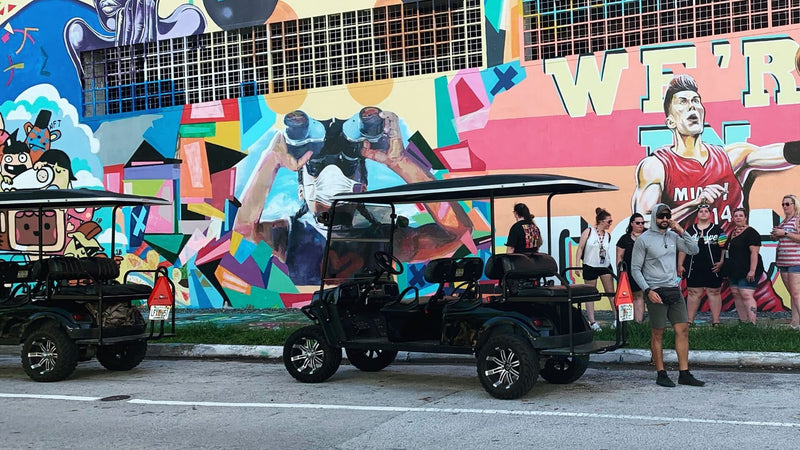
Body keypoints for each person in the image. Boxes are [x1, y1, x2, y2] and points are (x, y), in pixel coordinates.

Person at [233, 107, 473, 285]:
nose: (332, 174)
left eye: (348, 166)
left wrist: (400, 163)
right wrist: (272, 160)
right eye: (316, 168)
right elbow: (242, 235)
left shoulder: (384, 238)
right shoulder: (288, 237)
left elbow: (457, 233)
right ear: (301, 190)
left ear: (364, 186)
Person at [632, 74, 797, 313]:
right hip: (694, 276)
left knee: (764, 315)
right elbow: (644, 222)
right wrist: (694, 203)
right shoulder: (656, 166)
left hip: (740, 273)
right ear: (670, 121)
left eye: (696, 100)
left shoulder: (731, 157)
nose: (692, 106)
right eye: (683, 101)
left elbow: (781, 154)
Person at [631, 203, 704, 387]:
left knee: (683, 330)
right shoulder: (644, 240)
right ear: (655, 217)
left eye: (667, 216)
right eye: (661, 216)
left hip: (673, 289)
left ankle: (684, 373)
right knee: (658, 333)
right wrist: (648, 291)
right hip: (655, 291)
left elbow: (694, 250)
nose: (664, 219)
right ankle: (661, 373)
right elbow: (635, 269)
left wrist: (680, 229)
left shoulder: (673, 236)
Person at [677, 203, 725, 326]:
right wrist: (680, 264)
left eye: (706, 211)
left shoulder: (718, 230)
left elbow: (724, 248)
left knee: (713, 292)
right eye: (701, 211)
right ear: (697, 214)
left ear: (710, 214)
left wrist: (722, 261)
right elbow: (683, 248)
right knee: (693, 293)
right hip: (694, 267)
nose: (703, 213)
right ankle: (689, 321)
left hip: (713, 267)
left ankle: (716, 321)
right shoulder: (690, 230)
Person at [721, 208, 763, 324]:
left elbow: (754, 253)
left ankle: (752, 324)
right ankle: (743, 322)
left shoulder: (751, 233)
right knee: (736, 294)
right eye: (736, 216)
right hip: (734, 270)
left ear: (745, 218)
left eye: (741, 215)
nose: (738, 218)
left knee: (746, 294)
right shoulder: (733, 233)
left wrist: (752, 270)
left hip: (748, 269)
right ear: (733, 218)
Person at [576, 207, 615, 331]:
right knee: (590, 293)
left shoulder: (608, 235)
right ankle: (592, 322)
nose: (610, 224)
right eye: (609, 221)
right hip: (590, 265)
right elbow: (580, 248)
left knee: (611, 292)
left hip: (604, 266)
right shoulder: (588, 231)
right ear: (601, 221)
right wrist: (577, 265)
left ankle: (616, 318)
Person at [771, 195, 800, 329]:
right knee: (792, 293)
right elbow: (780, 238)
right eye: (783, 204)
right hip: (783, 262)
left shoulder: (797, 219)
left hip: (795, 261)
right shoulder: (783, 222)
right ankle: (795, 322)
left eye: (788, 204)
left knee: (796, 293)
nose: (785, 206)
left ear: (795, 205)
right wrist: (776, 235)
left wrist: (785, 233)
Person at [615, 213, 646, 323]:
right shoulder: (625, 239)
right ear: (632, 223)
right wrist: (620, 273)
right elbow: (619, 257)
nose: (641, 225)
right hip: (630, 271)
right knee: (632, 296)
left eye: (643, 223)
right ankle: (630, 322)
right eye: (638, 223)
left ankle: (639, 322)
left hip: (647, 270)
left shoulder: (648, 235)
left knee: (642, 296)